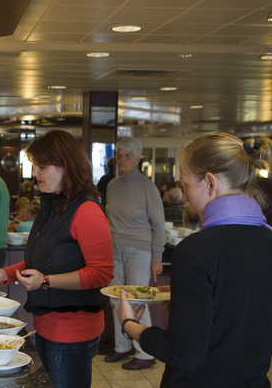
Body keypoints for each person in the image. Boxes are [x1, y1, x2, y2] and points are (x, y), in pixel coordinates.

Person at [117, 132, 272, 385]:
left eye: (186, 184)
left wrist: (130, 325)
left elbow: (182, 353)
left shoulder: (197, 249)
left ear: (210, 182)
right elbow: (236, 317)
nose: (184, 195)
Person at [0, 130, 114, 387]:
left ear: (66, 166)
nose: (35, 174)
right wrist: (5, 273)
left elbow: (101, 274)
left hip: (73, 330)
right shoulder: (53, 207)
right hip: (46, 325)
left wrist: (46, 281)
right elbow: (41, 259)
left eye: (42, 166)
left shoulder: (87, 211)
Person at [104, 137, 165, 370]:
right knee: (114, 299)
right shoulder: (112, 185)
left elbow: (159, 225)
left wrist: (157, 258)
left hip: (140, 250)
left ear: (139, 159)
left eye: (127, 155)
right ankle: (123, 347)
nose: (122, 160)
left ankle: (145, 353)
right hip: (113, 249)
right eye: (119, 155)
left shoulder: (148, 187)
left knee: (138, 301)